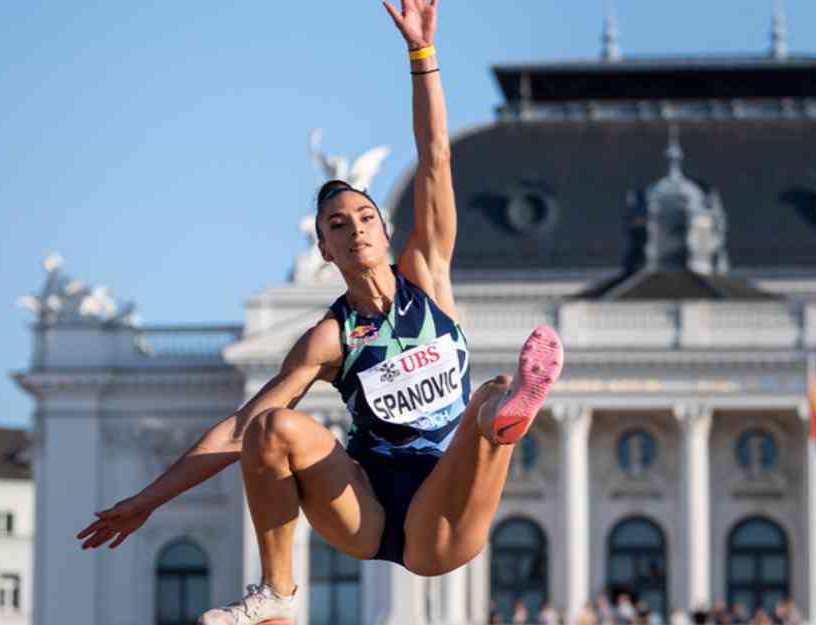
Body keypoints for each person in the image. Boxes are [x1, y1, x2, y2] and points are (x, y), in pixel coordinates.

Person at [75, 2, 565, 625]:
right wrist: (147, 501)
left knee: (492, 394)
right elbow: (235, 432)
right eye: (338, 225)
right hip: (366, 509)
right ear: (324, 249)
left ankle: (513, 406)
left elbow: (435, 154)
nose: (355, 229)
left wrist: (422, 56)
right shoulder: (329, 339)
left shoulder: (431, 278)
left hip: (444, 509)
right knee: (271, 426)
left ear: (386, 233)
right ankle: (276, 594)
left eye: (365, 218)